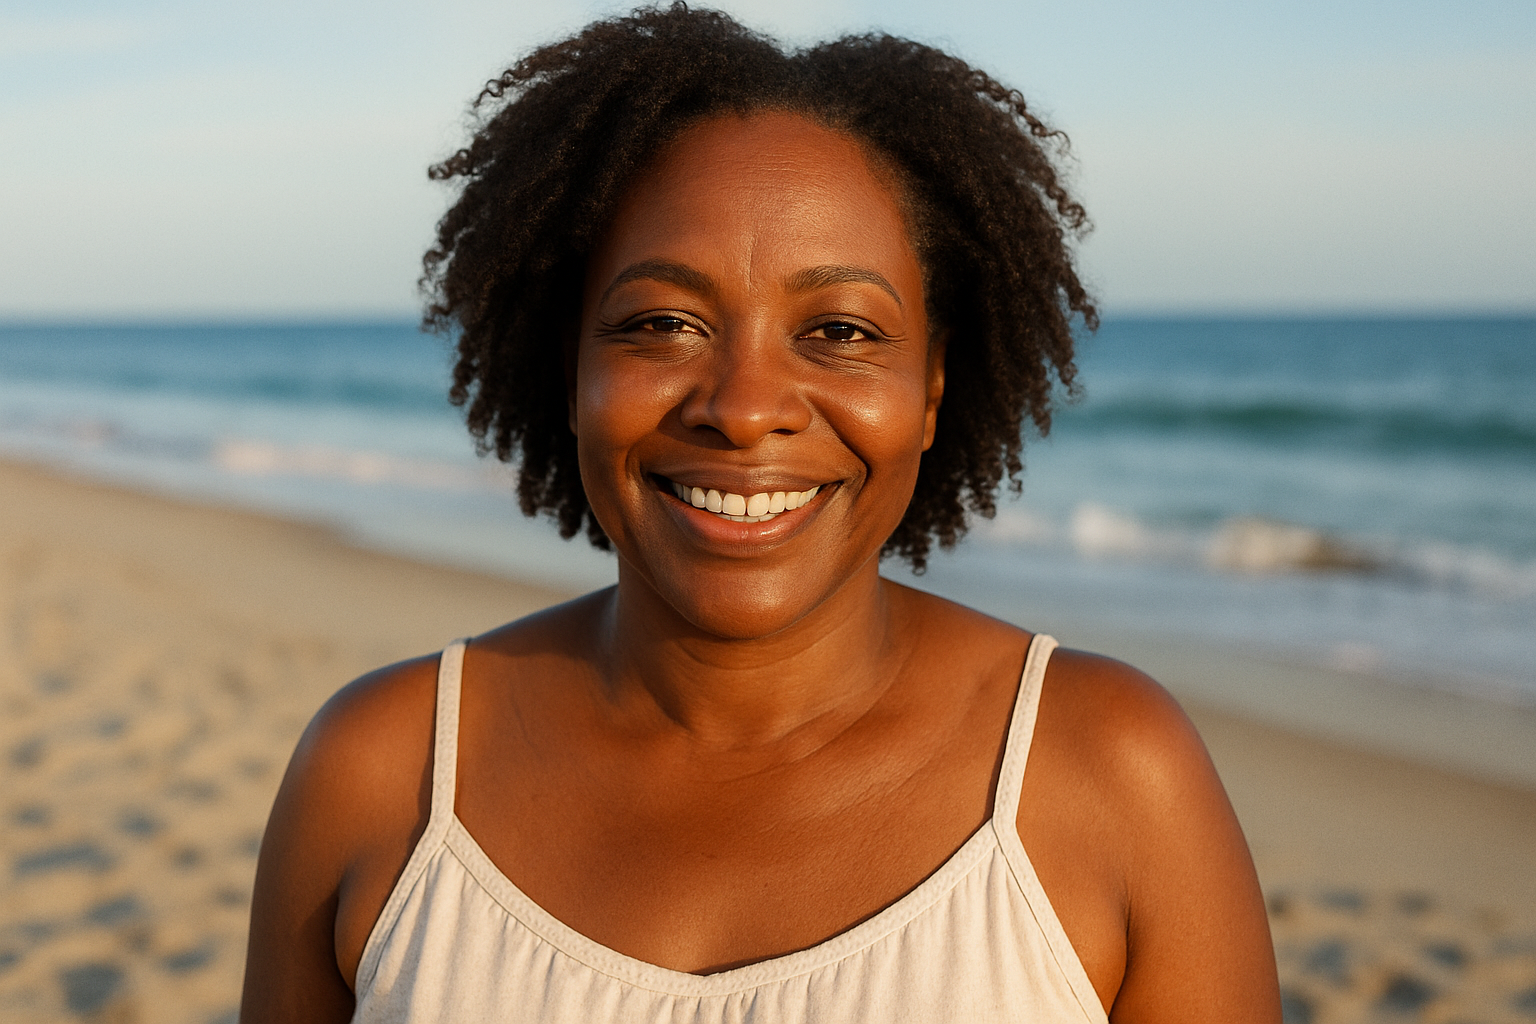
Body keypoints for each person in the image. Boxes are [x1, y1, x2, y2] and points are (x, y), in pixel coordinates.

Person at [241, 5, 1282, 1021]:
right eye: (661, 322)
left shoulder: (1111, 774)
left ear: (930, 391)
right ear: (569, 372)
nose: (742, 408)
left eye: (837, 328)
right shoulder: (381, 775)